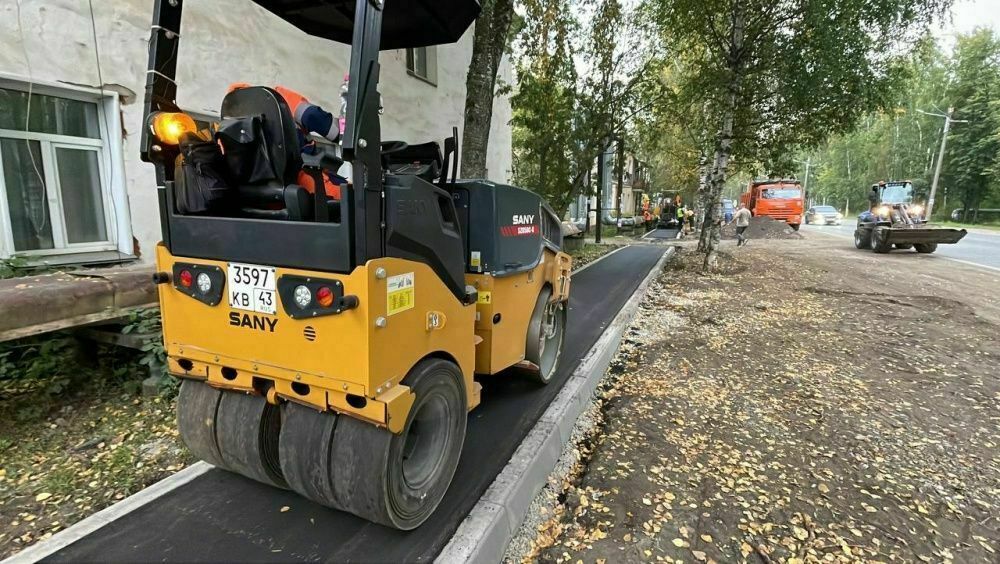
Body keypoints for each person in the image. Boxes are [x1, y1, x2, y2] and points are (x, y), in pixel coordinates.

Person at [228, 83, 344, 199]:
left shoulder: (229, 122)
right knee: (355, 196)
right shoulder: (279, 98)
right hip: (304, 183)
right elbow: (314, 117)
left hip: (258, 196)